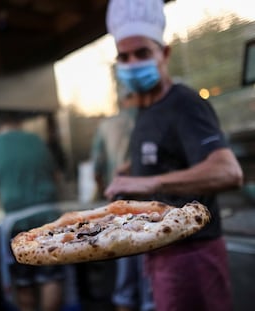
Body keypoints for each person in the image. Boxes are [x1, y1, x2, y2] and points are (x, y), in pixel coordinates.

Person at [104, 1, 243, 311]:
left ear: (164, 53)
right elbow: (162, 157)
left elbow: (228, 171)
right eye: (124, 57)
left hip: (193, 254)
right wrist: (131, 172)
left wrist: (148, 183)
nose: (132, 62)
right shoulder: (146, 109)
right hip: (160, 251)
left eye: (141, 53)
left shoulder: (184, 103)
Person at [0, 112, 65, 311]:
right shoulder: (36, 140)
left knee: (24, 282)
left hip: (18, 222)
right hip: (50, 217)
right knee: (51, 276)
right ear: (18, 125)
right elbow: (57, 176)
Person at [91, 90, 154, 311]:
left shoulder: (107, 125)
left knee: (125, 282)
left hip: (119, 206)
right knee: (149, 282)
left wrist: (104, 194)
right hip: (149, 207)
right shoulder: (149, 117)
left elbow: (97, 169)